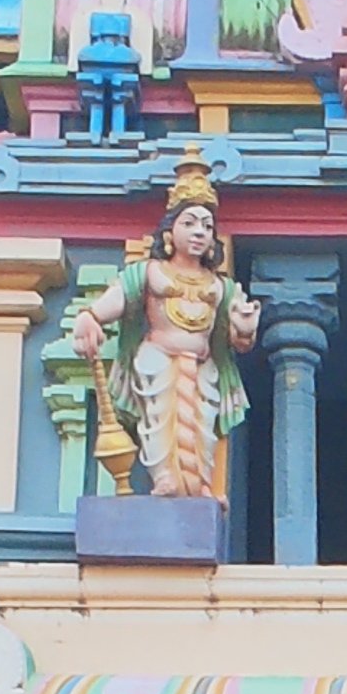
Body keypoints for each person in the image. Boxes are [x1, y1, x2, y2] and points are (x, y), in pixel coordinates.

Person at [81, 161, 259, 498]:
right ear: (169, 232)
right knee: (160, 422)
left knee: (201, 428)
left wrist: (245, 330)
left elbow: (239, 340)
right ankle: (165, 478)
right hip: (158, 359)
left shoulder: (222, 286)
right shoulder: (149, 272)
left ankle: (198, 483)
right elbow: (116, 299)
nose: (198, 232)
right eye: (189, 223)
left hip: (203, 365)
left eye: (206, 226)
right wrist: (90, 317)